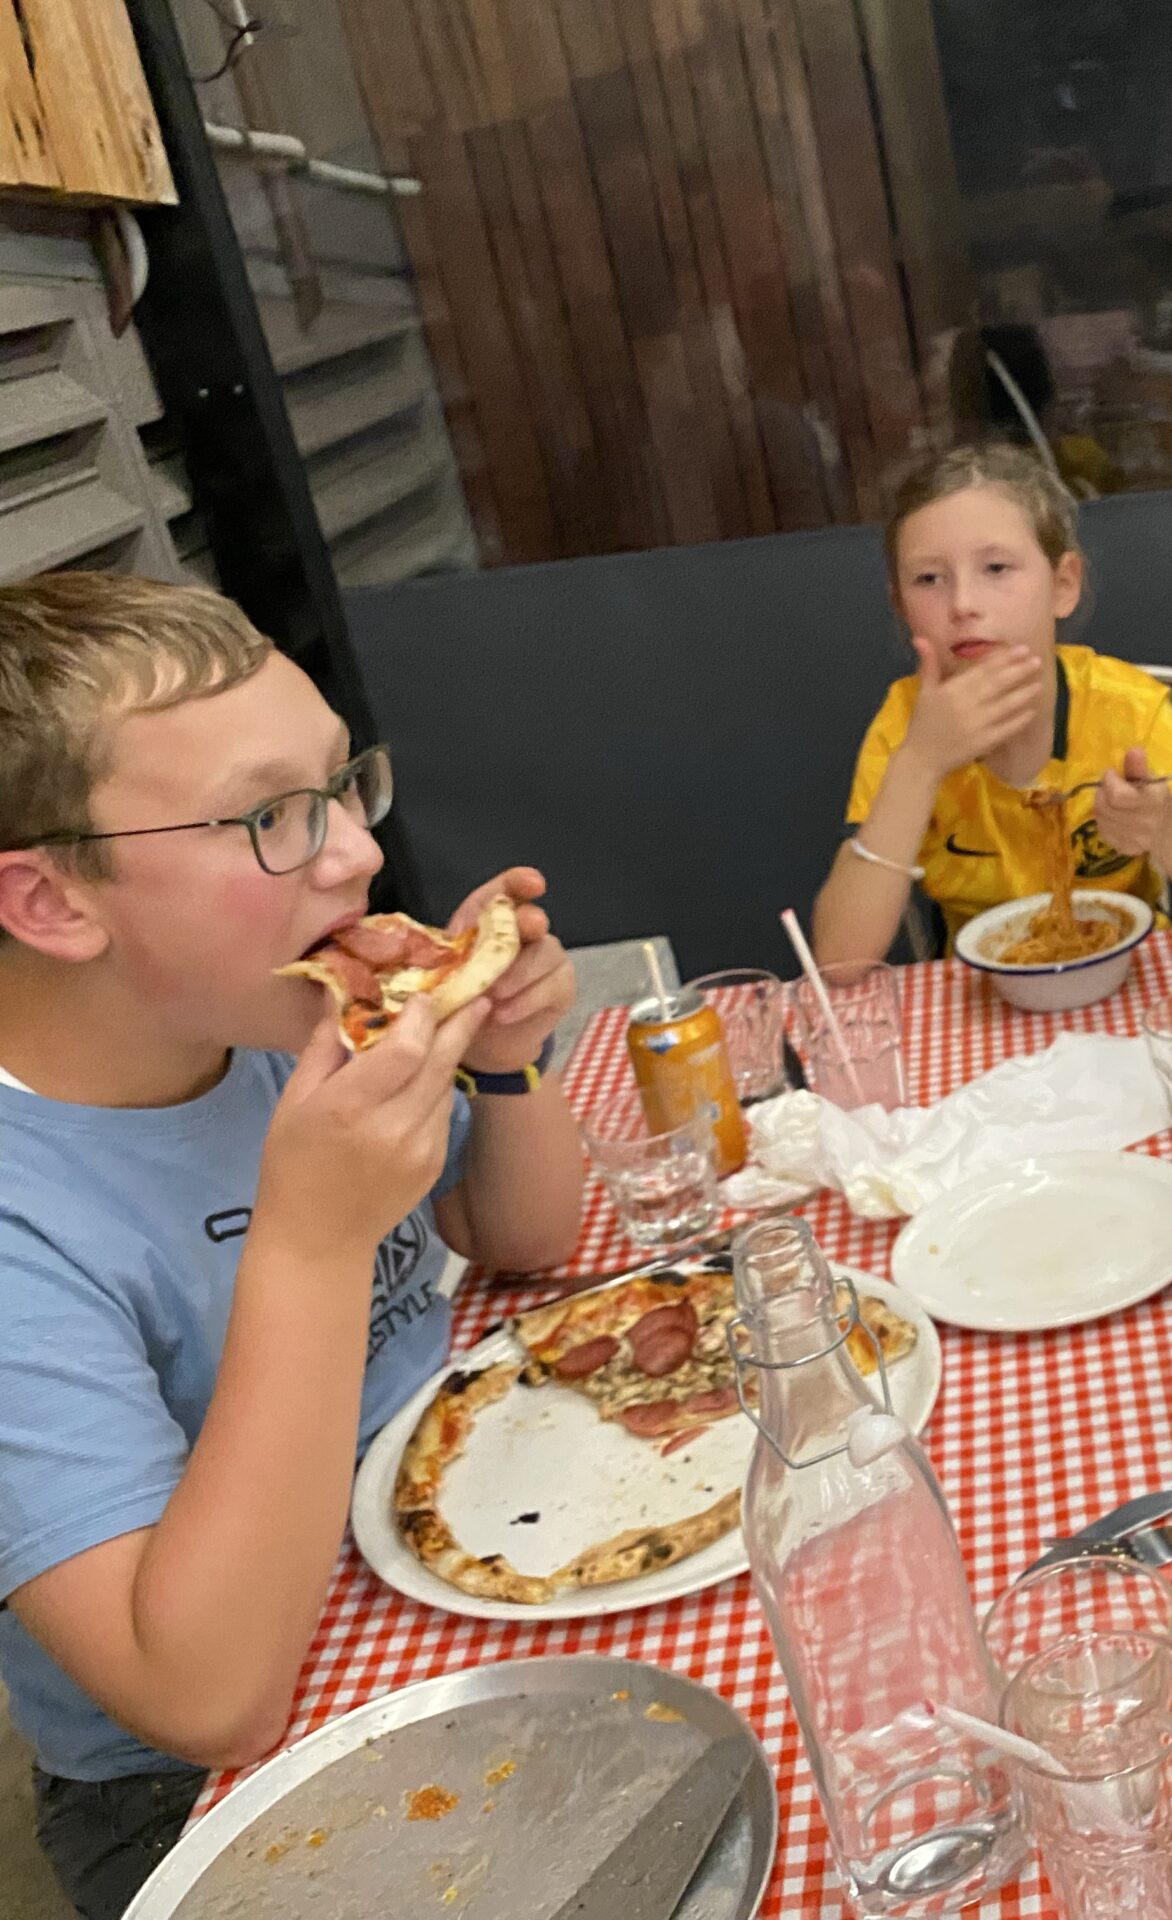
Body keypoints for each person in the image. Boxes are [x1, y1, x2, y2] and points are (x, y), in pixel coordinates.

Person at [0, 574, 586, 1918]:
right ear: (53, 903)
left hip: (452, 1553)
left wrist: (505, 1063)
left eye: (339, 784)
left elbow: (520, 1235)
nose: (357, 854)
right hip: (185, 1785)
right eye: (271, 816)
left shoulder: (267, 1025)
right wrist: (311, 1246)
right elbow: (203, 1696)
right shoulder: (25, 1217)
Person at [812, 444, 1172, 964]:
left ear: (1062, 585)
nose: (963, 604)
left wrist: (1166, 826)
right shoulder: (906, 727)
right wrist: (919, 764)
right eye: (928, 579)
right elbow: (841, 961)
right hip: (981, 986)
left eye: (996, 568)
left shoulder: (1127, 709)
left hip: (1125, 973)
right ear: (900, 604)